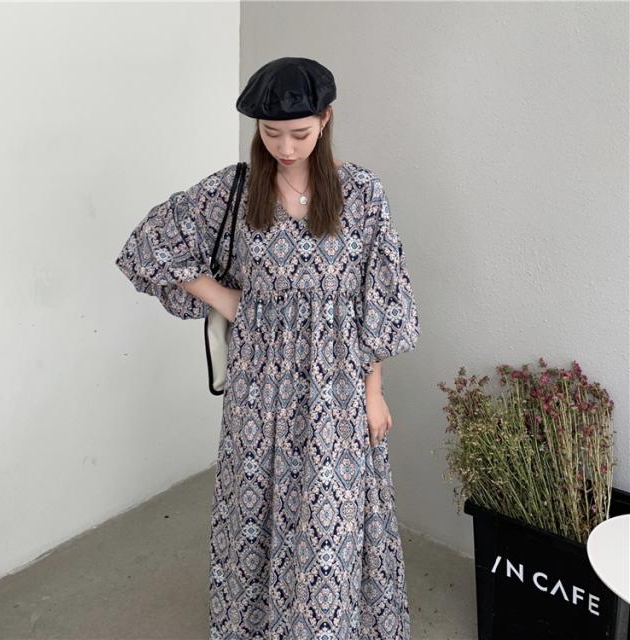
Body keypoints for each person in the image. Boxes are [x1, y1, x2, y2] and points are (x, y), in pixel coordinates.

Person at [115, 56, 421, 640]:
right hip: (258, 385)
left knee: (330, 520)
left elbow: (378, 295)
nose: (284, 146)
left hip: (335, 385)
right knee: (255, 511)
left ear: (325, 120)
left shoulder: (361, 193)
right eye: (271, 132)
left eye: (299, 133)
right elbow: (149, 243)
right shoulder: (235, 189)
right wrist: (226, 299)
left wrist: (374, 390)